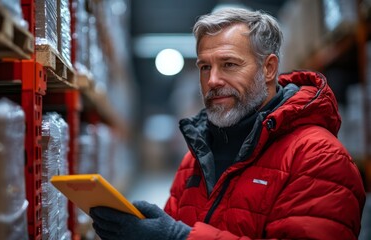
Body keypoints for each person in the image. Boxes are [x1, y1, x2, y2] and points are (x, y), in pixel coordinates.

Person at [89, 7, 366, 240]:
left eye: (230, 65)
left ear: (268, 69)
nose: (213, 81)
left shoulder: (319, 158)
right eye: (205, 67)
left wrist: (178, 237)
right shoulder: (195, 158)